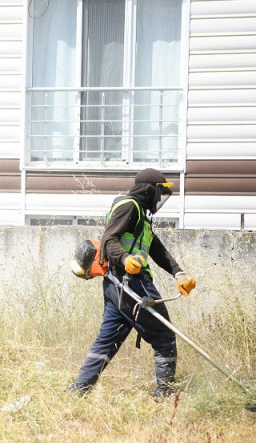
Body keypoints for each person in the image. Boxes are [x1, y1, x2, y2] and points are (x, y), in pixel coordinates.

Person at [69, 168, 197, 398]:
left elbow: (158, 251)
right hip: (131, 283)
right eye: (159, 193)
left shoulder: (142, 218)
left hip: (117, 285)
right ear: (149, 190)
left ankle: (78, 391)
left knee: (107, 341)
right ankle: (165, 395)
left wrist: (179, 273)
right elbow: (109, 239)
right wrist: (126, 258)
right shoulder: (130, 206)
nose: (160, 199)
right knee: (164, 336)